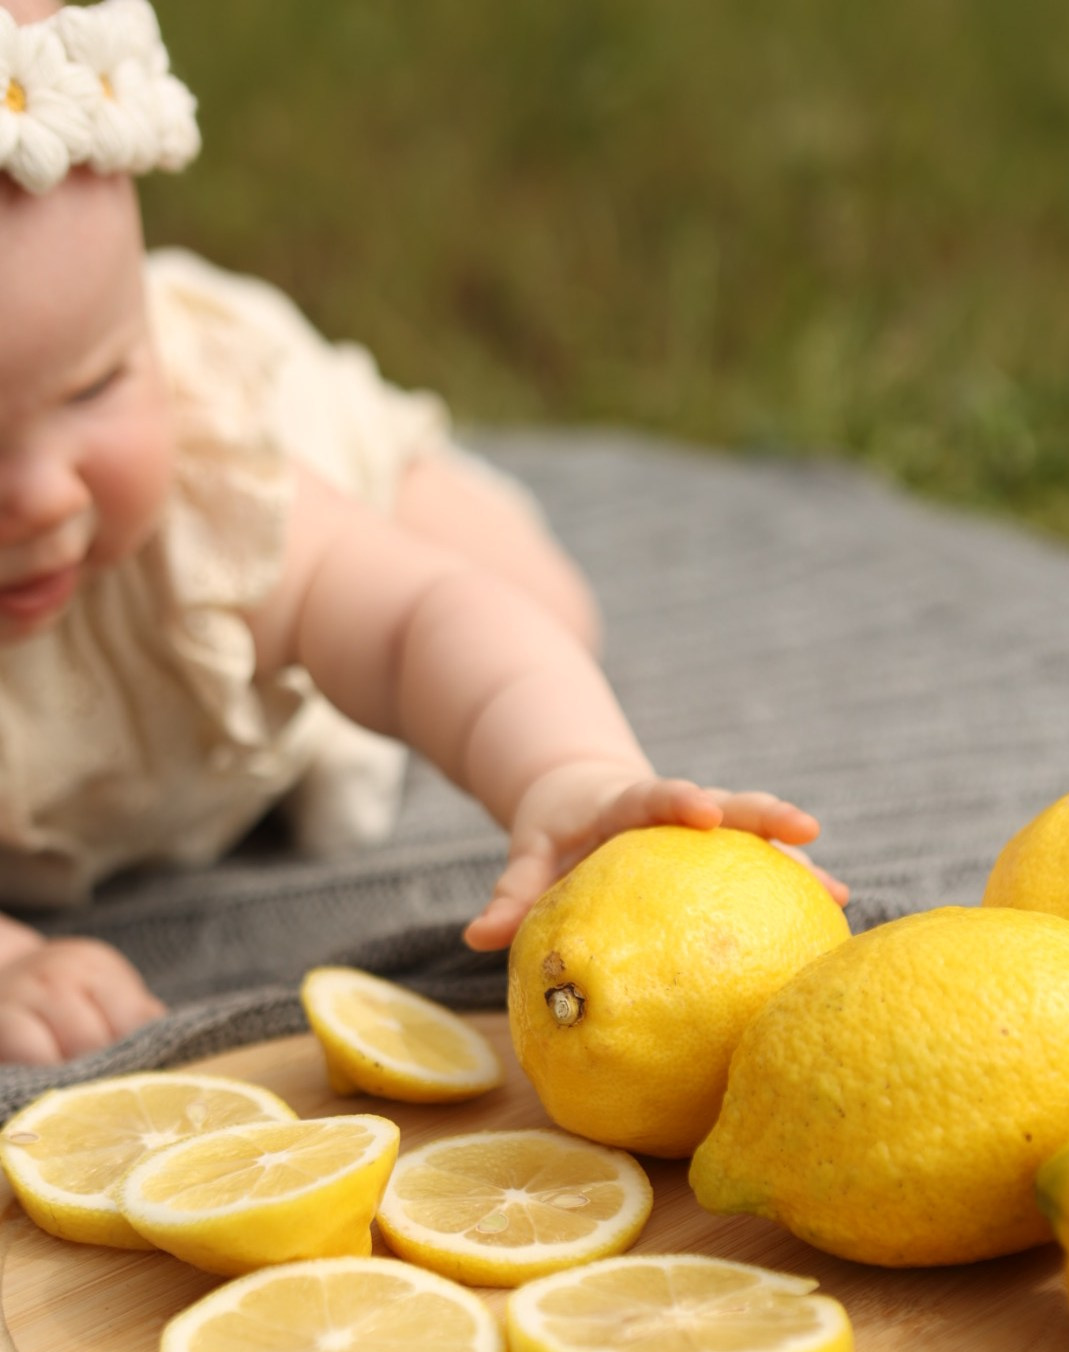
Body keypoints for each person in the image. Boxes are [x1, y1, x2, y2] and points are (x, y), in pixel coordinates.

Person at [0, 0, 846, 1066]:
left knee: (526, 617)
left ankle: (404, 472)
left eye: (97, 382)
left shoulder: (211, 499)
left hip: (314, 452)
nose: (37, 495)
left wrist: (569, 777)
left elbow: (415, 622)